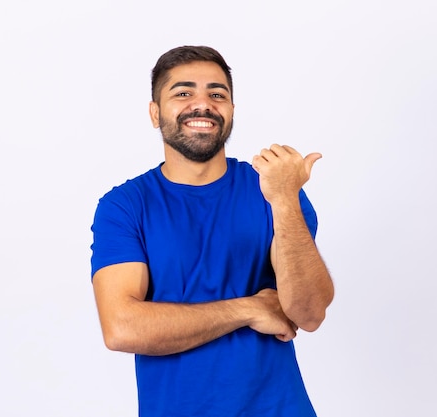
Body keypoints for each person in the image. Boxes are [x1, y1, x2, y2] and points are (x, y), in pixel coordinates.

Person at [90, 45, 334, 417]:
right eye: (183, 93)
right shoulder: (125, 206)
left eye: (217, 94)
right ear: (155, 113)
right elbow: (122, 328)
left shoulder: (272, 190)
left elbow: (310, 312)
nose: (202, 104)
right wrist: (249, 309)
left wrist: (285, 198)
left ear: (231, 112)